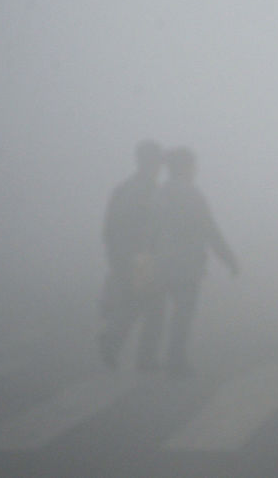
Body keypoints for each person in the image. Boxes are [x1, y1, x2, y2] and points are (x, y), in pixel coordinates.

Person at [138, 147, 240, 376]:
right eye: (193, 165)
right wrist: (229, 258)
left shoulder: (159, 193)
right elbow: (209, 229)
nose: (196, 170)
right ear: (185, 167)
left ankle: (145, 357)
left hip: (159, 263)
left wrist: (145, 260)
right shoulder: (192, 195)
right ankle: (175, 360)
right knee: (182, 314)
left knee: (155, 312)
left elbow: (148, 231)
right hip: (186, 265)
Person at [97, 139, 163, 369]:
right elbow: (155, 227)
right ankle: (143, 357)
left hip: (123, 255)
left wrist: (113, 255)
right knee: (153, 306)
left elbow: (108, 226)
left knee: (131, 304)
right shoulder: (151, 191)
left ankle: (112, 342)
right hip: (143, 258)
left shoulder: (122, 188)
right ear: (152, 162)